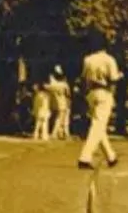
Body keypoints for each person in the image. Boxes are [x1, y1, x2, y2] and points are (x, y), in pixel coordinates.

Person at [78, 30, 122, 169]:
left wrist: (85, 95)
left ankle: (111, 156)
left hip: (91, 92)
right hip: (105, 92)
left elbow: (83, 79)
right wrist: (112, 96)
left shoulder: (88, 59)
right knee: (98, 125)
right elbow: (113, 80)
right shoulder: (109, 60)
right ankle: (85, 157)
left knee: (98, 125)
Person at [47, 67, 73, 140]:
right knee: (59, 119)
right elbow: (68, 94)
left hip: (54, 103)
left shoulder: (52, 84)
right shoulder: (64, 85)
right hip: (62, 103)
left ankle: (58, 133)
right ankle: (54, 133)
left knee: (57, 118)